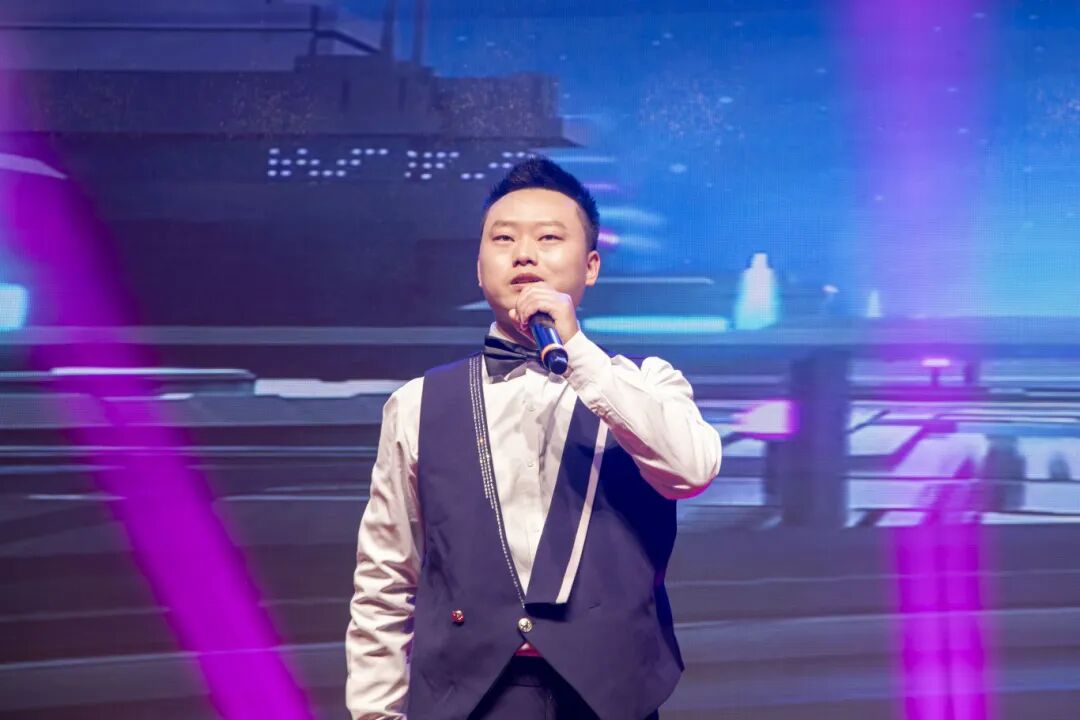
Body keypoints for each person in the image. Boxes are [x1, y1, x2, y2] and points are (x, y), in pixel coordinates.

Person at [346, 158, 722, 720]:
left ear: (590, 266)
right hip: (466, 700)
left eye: (549, 238)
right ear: (479, 267)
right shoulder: (417, 404)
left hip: (610, 697)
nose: (524, 254)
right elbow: (385, 578)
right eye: (503, 239)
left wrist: (580, 356)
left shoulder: (647, 385)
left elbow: (691, 471)